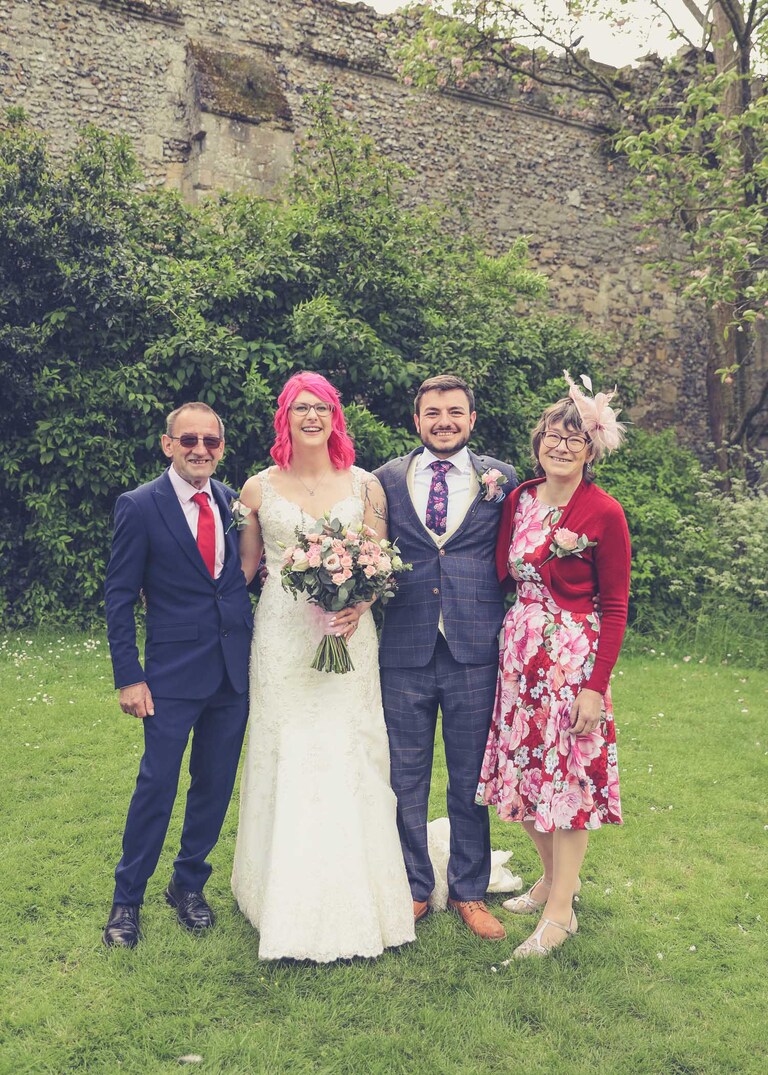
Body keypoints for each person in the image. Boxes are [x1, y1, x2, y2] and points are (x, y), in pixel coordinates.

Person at [231, 371, 414, 962]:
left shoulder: (365, 486)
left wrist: (358, 604)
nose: (312, 416)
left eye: (322, 407)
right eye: (300, 407)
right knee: (284, 746)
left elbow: (380, 562)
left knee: (348, 748)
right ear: (284, 417)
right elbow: (244, 571)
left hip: (347, 633)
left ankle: (364, 887)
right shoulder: (256, 489)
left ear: (336, 416)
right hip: (283, 635)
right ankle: (273, 890)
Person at [476, 374, 630, 958]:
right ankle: (551, 879)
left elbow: (614, 605)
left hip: (572, 661)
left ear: (590, 451)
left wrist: (596, 686)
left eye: (574, 439)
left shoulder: (604, 512)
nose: (561, 446)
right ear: (537, 443)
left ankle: (561, 912)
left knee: (567, 785)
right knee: (521, 779)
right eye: (552, 436)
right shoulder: (519, 499)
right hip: (519, 659)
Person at [103, 402, 252, 948]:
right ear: (168, 445)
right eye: (188, 440)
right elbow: (119, 598)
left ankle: (188, 885)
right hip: (168, 674)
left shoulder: (235, 502)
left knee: (213, 785)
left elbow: (242, 577)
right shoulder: (140, 506)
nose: (200, 450)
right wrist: (129, 676)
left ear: (220, 447)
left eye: (210, 441)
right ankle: (127, 900)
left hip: (233, 674)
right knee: (157, 785)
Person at [375, 374, 517, 941]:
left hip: (474, 650)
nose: (443, 421)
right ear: (417, 420)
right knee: (404, 778)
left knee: (469, 781)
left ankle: (468, 891)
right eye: (432, 413)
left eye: (454, 412)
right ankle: (412, 887)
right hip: (405, 648)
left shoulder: (501, 480)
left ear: (471, 419)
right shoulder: (385, 479)